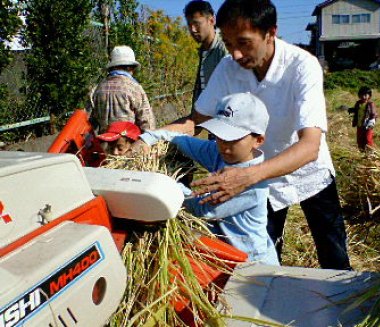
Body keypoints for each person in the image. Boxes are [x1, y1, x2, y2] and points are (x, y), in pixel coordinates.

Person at [135, 0, 351, 270]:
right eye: (228, 43)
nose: (236, 54)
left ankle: (342, 303)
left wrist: (246, 177)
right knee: (263, 256)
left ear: (270, 32)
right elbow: (195, 121)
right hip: (258, 174)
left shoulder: (301, 66)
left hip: (304, 171)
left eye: (244, 42)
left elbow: (310, 147)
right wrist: (146, 140)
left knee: (333, 253)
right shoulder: (228, 67)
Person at [140, 92, 279, 265]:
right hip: (224, 252)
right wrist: (146, 139)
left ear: (258, 140)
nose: (223, 144)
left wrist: (160, 182)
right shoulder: (221, 152)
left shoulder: (251, 185)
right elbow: (179, 139)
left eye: (232, 138)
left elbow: (199, 208)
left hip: (251, 263)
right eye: (219, 136)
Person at [87, 45, 156, 133]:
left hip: (103, 143)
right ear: (130, 67)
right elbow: (147, 123)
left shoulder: (96, 89)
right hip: (127, 143)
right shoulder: (135, 89)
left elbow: (88, 121)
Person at [184, 0, 228, 110]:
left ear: (212, 20)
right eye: (189, 25)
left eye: (197, 24)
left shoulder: (224, 49)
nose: (193, 30)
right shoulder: (203, 50)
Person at [348, 86, 378, 151]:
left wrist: (371, 122)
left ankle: (370, 152)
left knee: (368, 139)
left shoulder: (370, 104)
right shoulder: (358, 103)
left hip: (368, 125)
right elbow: (356, 110)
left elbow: (373, 114)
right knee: (359, 139)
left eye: (365, 95)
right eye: (361, 95)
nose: (363, 97)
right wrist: (351, 110)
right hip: (360, 125)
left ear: (369, 96)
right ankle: (361, 151)